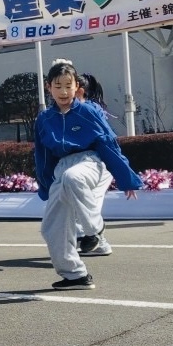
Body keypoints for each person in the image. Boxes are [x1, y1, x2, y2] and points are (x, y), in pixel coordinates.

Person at [35, 60, 142, 290]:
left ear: (77, 88)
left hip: (89, 161)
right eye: (58, 86)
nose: (63, 92)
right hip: (60, 170)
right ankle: (75, 276)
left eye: (68, 85)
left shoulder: (88, 111)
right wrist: (45, 185)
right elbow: (42, 154)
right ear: (49, 87)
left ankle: (94, 229)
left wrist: (125, 177)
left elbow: (108, 144)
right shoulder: (44, 119)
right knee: (51, 227)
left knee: (74, 177)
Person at [74, 72, 116, 258]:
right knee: (86, 204)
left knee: (88, 204)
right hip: (88, 165)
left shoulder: (89, 111)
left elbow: (108, 140)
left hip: (98, 165)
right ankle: (92, 240)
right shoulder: (71, 111)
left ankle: (96, 240)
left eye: (68, 87)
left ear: (80, 91)